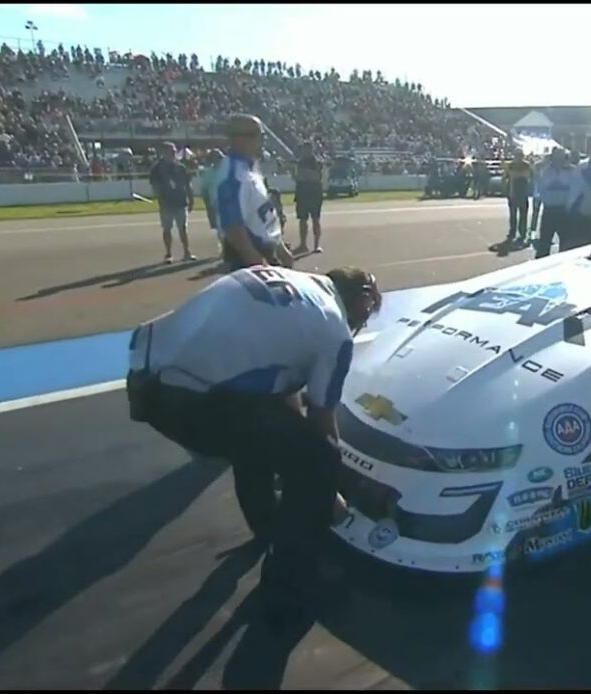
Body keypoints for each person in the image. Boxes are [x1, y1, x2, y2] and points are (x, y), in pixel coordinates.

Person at [125, 265, 383, 599]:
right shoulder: (335, 330)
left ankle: (267, 526)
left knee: (259, 435)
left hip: (147, 378)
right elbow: (322, 418)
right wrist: (330, 488)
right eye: (366, 312)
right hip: (194, 398)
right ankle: (290, 575)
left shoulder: (291, 283)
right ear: (359, 298)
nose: (361, 322)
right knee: (319, 459)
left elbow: (276, 390)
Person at [213, 114, 295, 270]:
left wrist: (280, 249)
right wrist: (260, 266)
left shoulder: (250, 167)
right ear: (240, 139)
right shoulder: (232, 175)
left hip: (265, 253)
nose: (262, 141)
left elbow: (261, 216)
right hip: (249, 259)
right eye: (259, 135)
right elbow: (233, 228)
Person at [147, 142, 195, 264]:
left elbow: (187, 184)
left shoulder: (180, 167)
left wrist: (191, 198)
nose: (173, 154)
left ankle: (187, 252)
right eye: (170, 151)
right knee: (167, 229)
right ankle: (168, 254)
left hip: (180, 202)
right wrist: (161, 193)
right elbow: (154, 185)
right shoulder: (157, 169)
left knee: (183, 228)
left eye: (174, 151)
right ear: (164, 153)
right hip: (166, 204)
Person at [532, 147, 581, 258]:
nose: (559, 159)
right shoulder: (544, 170)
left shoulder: (572, 171)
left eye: (561, 156)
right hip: (549, 210)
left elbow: (577, 190)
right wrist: (538, 201)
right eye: (556, 156)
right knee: (544, 243)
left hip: (565, 211)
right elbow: (538, 188)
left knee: (566, 243)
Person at [293, 142, 324, 254]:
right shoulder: (299, 162)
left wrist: (304, 175)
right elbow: (297, 177)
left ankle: (316, 245)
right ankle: (303, 244)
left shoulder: (317, 162)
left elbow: (318, 177)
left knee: (315, 219)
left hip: (314, 193)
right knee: (302, 219)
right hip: (302, 192)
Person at [501, 149, 534, 247]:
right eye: (517, 155)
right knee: (513, 215)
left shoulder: (527, 165)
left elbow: (533, 176)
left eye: (520, 155)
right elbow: (504, 177)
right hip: (513, 193)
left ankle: (522, 232)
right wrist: (505, 188)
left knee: (523, 215)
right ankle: (513, 231)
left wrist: (530, 186)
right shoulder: (510, 165)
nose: (519, 157)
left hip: (523, 194)